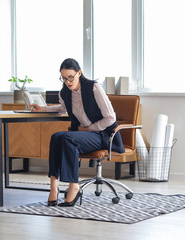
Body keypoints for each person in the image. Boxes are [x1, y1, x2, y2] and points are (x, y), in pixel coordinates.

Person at [30, 58, 125, 207]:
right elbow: (63, 109)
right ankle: (53, 187)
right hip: (83, 135)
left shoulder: (94, 88)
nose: (67, 81)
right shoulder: (65, 93)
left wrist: (89, 128)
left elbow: (110, 118)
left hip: (102, 135)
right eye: (63, 78)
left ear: (79, 73)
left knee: (68, 138)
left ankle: (74, 185)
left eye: (70, 77)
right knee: (56, 137)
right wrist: (43, 108)